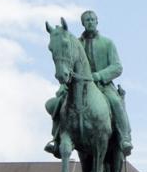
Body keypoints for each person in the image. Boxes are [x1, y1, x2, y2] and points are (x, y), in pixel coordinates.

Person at [45, 9, 133, 158]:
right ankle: (57, 140)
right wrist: (63, 85)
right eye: (87, 20)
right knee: (58, 103)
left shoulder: (107, 43)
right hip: (76, 87)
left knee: (116, 102)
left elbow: (117, 67)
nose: (90, 22)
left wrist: (99, 75)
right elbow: (68, 64)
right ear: (83, 23)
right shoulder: (76, 43)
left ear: (97, 21)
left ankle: (124, 138)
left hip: (103, 86)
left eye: (93, 19)